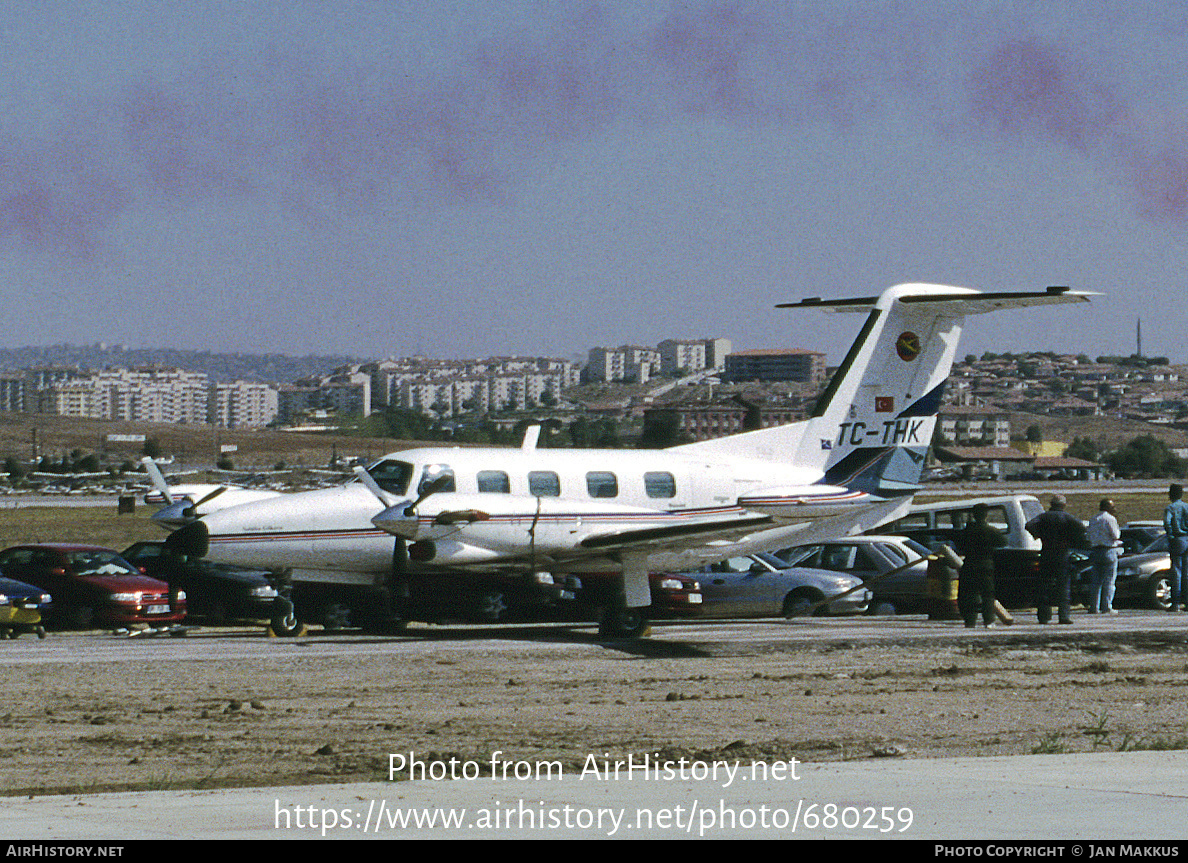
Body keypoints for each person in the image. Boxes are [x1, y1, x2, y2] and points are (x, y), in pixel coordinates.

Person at [1025, 494, 1089, 624]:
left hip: (1046, 553)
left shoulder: (1043, 517)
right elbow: (1081, 527)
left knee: (1044, 586)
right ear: (1063, 505)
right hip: (1061, 555)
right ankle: (1063, 616)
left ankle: (1043, 616)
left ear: (1051, 504)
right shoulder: (1067, 517)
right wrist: (1071, 537)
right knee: (1063, 587)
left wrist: (1038, 534)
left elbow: (1029, 525)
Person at [953, 502, 1007, 628]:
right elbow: (1003, 542)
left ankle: (970, 621)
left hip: (970, 564)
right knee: (987, 594)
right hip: (986, 564)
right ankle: (988, 621)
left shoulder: (967, 532)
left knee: (969, 593)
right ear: (986, 515)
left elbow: (959, 545)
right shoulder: (991, 530)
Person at [1086, 499, 1122, 614]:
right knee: (1109, 581)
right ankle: (1106, 606)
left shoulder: (1093, 519)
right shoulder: (1110, 519)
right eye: (1112, 506)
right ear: (1107, 507)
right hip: (1108, 550)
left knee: (1096, 582)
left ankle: (1094, 606)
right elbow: (1115, 535)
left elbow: (1089, 536)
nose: (1114, 509)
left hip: (1095, 551)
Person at [1163, 484, 1188, 611]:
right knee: (1186, 572)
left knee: (1176, 572)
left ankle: (1176, 603)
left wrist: (1170, 534)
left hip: (1177, 539)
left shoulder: (1170, 508)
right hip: (1187, 538)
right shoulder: (1186, 507)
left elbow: (1167, 522)